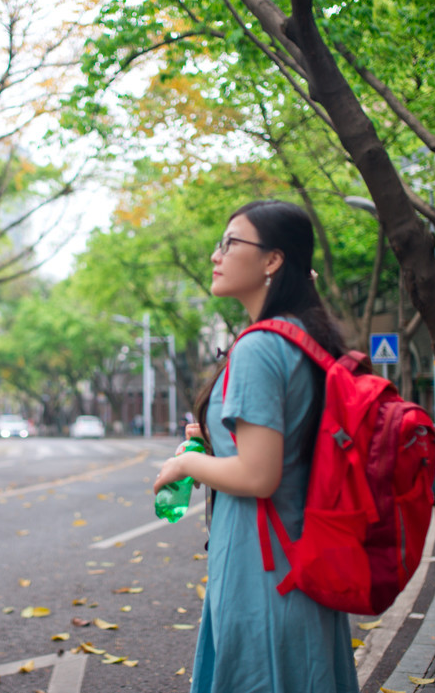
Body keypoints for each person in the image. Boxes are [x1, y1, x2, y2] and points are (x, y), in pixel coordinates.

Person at [153, 200, 357, 693]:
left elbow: (259, 476)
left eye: (231, 242)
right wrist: (215, 443)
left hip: (263, 570)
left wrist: (189, 464)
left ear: (273, 260)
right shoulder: (307, 335)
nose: (215, 256)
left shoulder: (261, 346)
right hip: (301, 559)